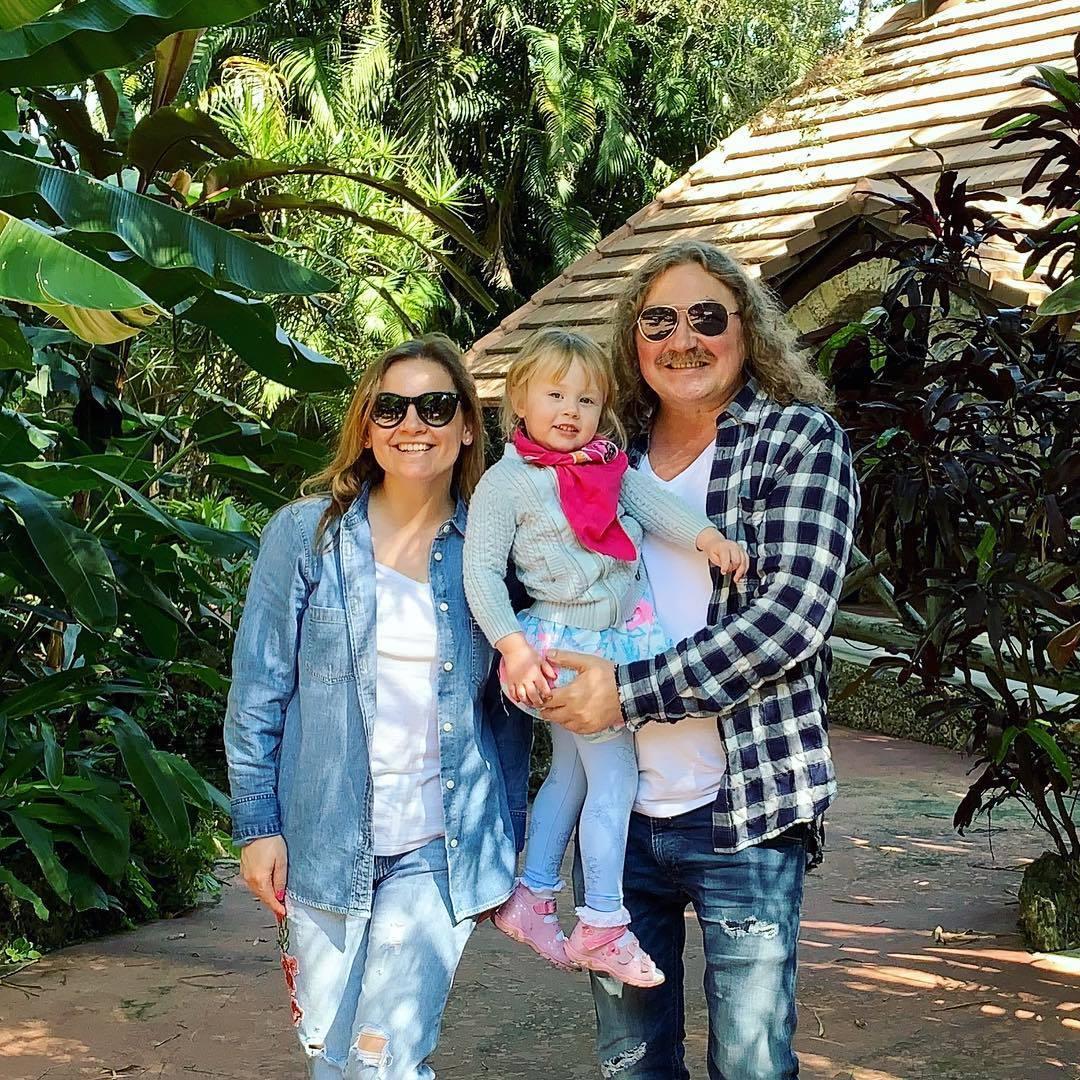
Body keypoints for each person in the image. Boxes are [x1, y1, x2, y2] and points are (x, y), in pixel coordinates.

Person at [538, 241, 860, 1079]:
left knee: (751, 1065)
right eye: (659, 322)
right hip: (615, 813)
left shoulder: (797, 440)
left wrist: (625, 693)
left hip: (744, 808)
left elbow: (787, 621)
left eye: (707, 317)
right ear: (633, 339)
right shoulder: (598, 452)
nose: (683, 339)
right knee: (631, 1062)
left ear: (747, 330)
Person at [223, 336, 518, 1079]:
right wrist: (258, 826)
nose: (411, 424)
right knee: (331, 1059)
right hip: (323, 841)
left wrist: (508, 839)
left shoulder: (493, 550)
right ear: (366, 425)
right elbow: (259, 690)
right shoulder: (306, 535)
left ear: (467, 426)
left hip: (440, 846)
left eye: (435, 406)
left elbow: (512, 714)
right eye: (390, 407)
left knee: (381, 1060)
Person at [462, 327, 748, 989]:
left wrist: (708, 537)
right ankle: (601, 922)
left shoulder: (607, 466)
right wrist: (512, 648)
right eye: (555, 395)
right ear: (520, 401)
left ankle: (533, 896)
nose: (571, 410)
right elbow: (480, 572)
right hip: (564, 650)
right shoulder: (507, 483)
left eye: (586, 400)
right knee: (616, 780)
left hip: (611, 641)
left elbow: (657, 506)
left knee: (571, 775)